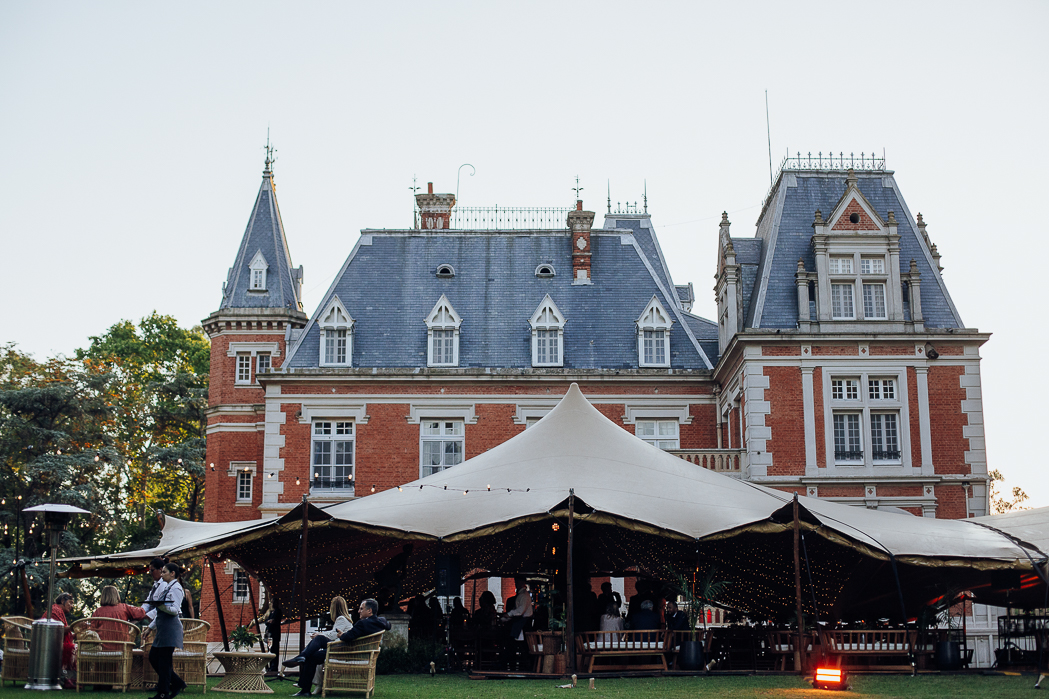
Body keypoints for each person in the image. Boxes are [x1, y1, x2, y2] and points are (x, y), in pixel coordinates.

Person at [291, 599, 391, 697]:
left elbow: (347, 637)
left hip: (346, 651)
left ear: (369, 611)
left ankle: (305, 688)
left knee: (312, 656)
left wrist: (341, 635)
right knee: (320, 639)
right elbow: (388, 625)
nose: (359, 611)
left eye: (361, 608)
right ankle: (302, 656)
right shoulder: (381, 622)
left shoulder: (362, 623)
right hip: (360, 651)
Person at [143, 562, 186, 699]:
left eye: (164, 572)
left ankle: (163, 693)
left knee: (163, 661)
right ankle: (176, 683)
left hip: (170, 629)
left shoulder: (177, 589)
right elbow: (161, 612)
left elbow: (175, 610)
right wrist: (150, 628)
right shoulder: (168, 587)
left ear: (172, 573)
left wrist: (161, 606)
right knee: (155, 658)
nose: (161, 575)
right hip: (162, 629)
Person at [281, 596, 353, 674]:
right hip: (339, 646)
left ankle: (301, 657)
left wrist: (320, 634)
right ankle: (302, 660)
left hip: (340, 648)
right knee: (312, 655)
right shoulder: (343, 619)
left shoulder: (341, 619)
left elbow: (334, 635)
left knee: (319, 639)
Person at [91, 585, 147, 650]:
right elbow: (141, 613)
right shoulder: (124, 608)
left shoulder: (98, 612)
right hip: (122, 649)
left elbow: (92, 631)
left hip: (102, 650)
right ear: (117, 595)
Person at [50, 592, 77, 684]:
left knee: (77, 647)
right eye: (70, 602)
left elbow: (65, 634)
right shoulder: (54, 611)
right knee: (76, 648)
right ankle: (70, 678)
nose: (72, 606)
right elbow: (58, 630)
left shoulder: (58, 611)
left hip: (56, 642)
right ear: (62, 601)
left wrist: (76, 633)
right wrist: (75, 626)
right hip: (51, 644)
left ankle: (71, 678)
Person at [504, 578, 533, 642]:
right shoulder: (521, 595)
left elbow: (521, 610)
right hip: (521, 621)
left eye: (517, 582)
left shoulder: (524, 595)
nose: (516, 584)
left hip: (524, 623)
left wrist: (509, 614)